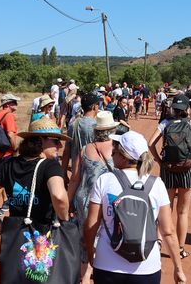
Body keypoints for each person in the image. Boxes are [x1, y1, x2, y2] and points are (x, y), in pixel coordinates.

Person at [84, 131, 187, 284]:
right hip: (146, 268)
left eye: (115, 150)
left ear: (124, 157)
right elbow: (168, 232)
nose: (112, 154)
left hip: (107, 265)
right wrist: (178, 267)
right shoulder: (156, 184)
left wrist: (90, 251)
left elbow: (91, 225)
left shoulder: (104, 180)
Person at [0, 116, 70, 228]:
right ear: (40, 140)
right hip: (43, 238)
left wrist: (0, 226)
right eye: (56, 141)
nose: (60, 145)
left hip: (16, 236)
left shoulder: (9, 164)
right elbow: (58, 196)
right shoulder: (50, 166)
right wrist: (65, 219)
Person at [148, 94, 191, 259]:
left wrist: (159, 161)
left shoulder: (165, 123)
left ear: (172, 108)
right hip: (187, 170)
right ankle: (180, 249)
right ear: (187, 109)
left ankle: (159, 242)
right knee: (183, 212)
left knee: (166, 209)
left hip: (168, 169)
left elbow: (150, 143)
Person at [67, 111, 118, 283]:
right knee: (108, 238)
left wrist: (67, 204)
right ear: (112, 129)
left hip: (85, 200)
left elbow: (74, 178)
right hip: (109, 200)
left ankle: (85, 276)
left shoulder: (85, 149)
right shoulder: (118, 149)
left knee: (85, 240)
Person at [0, 93, 21, 214]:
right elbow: (11, 134)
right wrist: (14, 149)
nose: (16, 104)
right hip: (7, 153)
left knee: (3, 177)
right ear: (8, 104)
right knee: (3, 180)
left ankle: (5, 202)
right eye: (14, 102)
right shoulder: (9, 116)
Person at [61, 93, 98, 182]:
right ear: (94, 107)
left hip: (76, 172)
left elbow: (66, 152)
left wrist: (64, 173)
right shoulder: (98, 126)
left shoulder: (73, 125)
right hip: (94, 173)